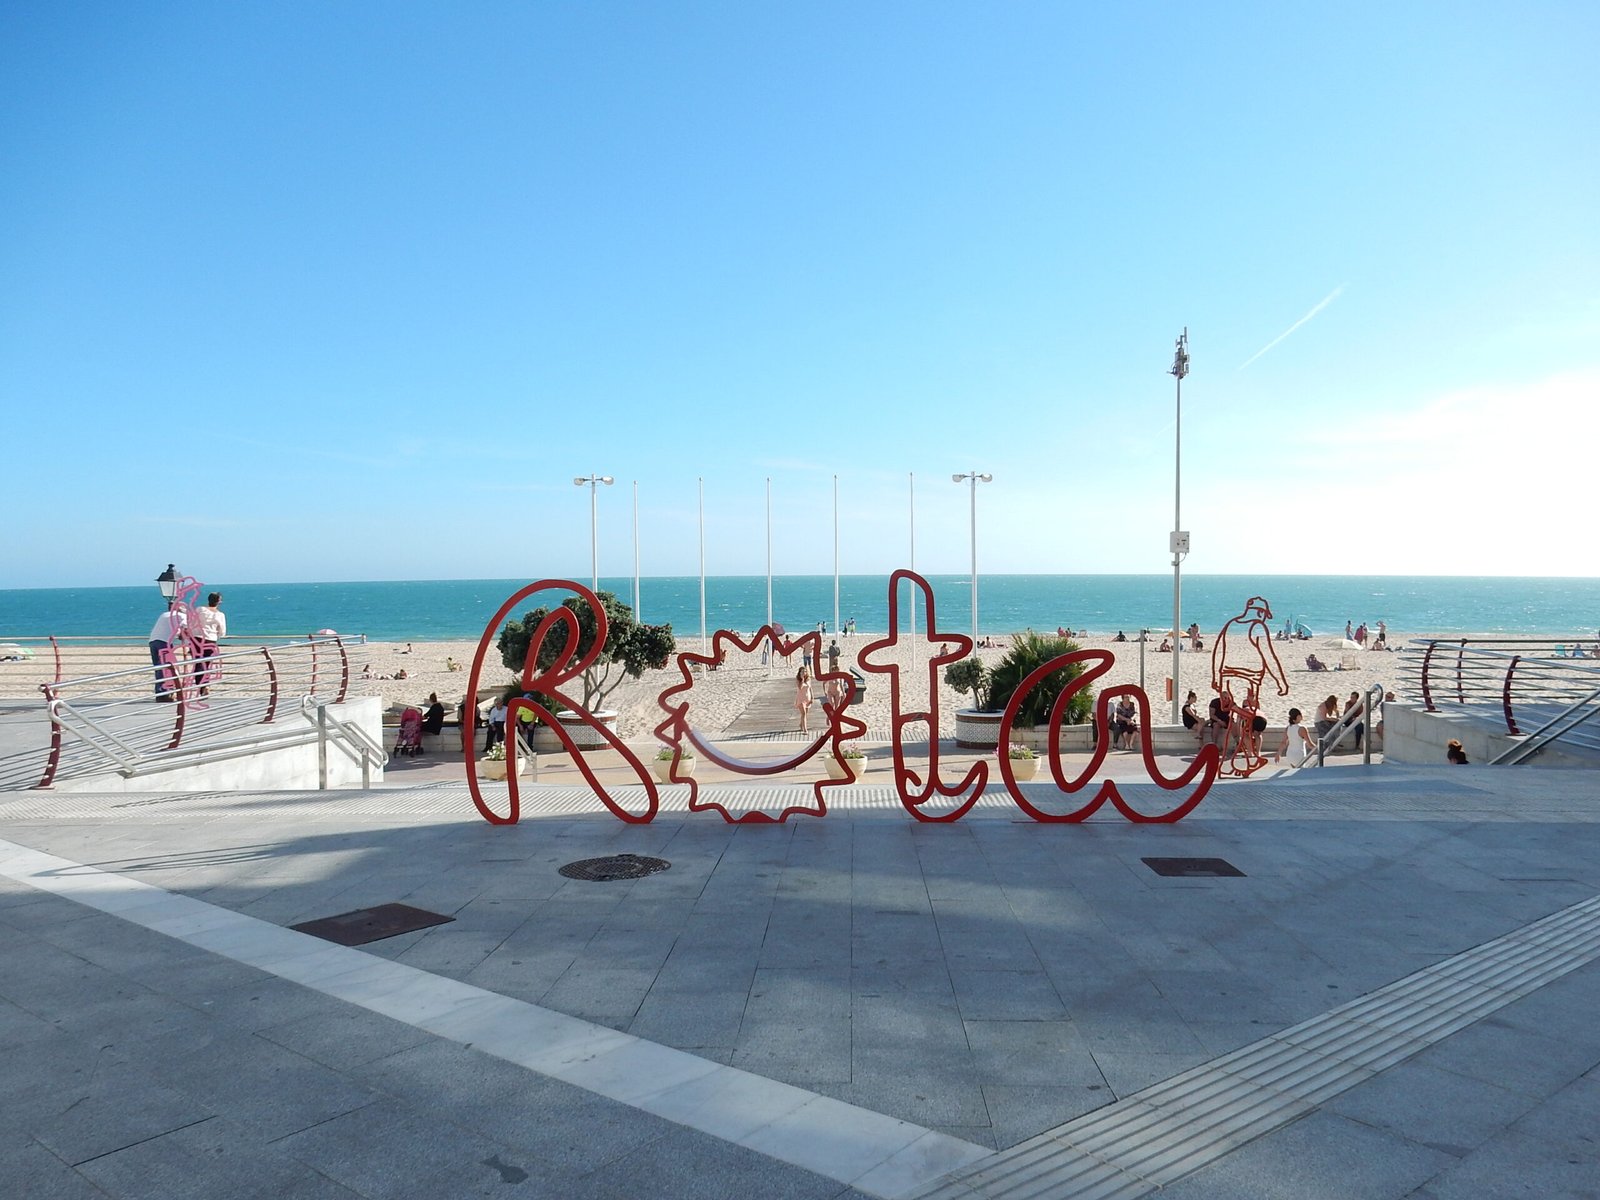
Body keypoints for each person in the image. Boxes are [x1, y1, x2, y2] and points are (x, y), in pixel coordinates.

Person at [148, 604, 187, 700]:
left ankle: (161, 692)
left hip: (153, 641)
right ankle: (164, 693)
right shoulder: (182, 616)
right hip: (164, 642)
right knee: (167, 668)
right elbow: (185, 630)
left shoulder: (164, 614)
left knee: (159, 668)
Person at [192, 591, 226, 695]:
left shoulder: (200, 609)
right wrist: (217, 635)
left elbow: (192, 622)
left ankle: (201, 687)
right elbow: (222, 631)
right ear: (219, 602)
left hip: (197, 638)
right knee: (206, 663)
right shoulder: (220, 615)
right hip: (211, 639)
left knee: (198, 662)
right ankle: (205, 685)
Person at [794, 667, 814, 733]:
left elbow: (810, 688)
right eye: (802, 672)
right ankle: (805, 729)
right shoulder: (798, 679)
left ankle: (801, 724)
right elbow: (800, 687)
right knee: (803, 713)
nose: (804, 673)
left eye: (805, 671)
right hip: (800, 698)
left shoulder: (808, 679)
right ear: (800, 672)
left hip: (807, 698)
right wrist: (802, 680)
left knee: (805, 714)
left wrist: (812, 697)